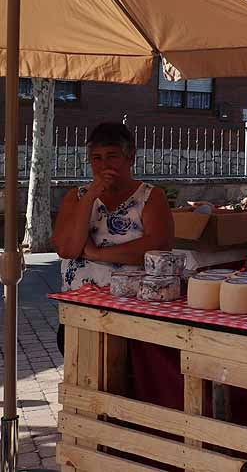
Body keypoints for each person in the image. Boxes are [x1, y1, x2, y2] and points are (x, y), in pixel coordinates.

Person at [53, 122, 174, 352]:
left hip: (133, 314)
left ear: (131, 157)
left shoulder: (150, 196)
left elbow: (158, 248)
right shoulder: (76, 197)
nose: (104, 165)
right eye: (96, 158)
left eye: (112, 156)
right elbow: (67, 249)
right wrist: (89, 198)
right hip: (79, 311)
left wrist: (95, 253)